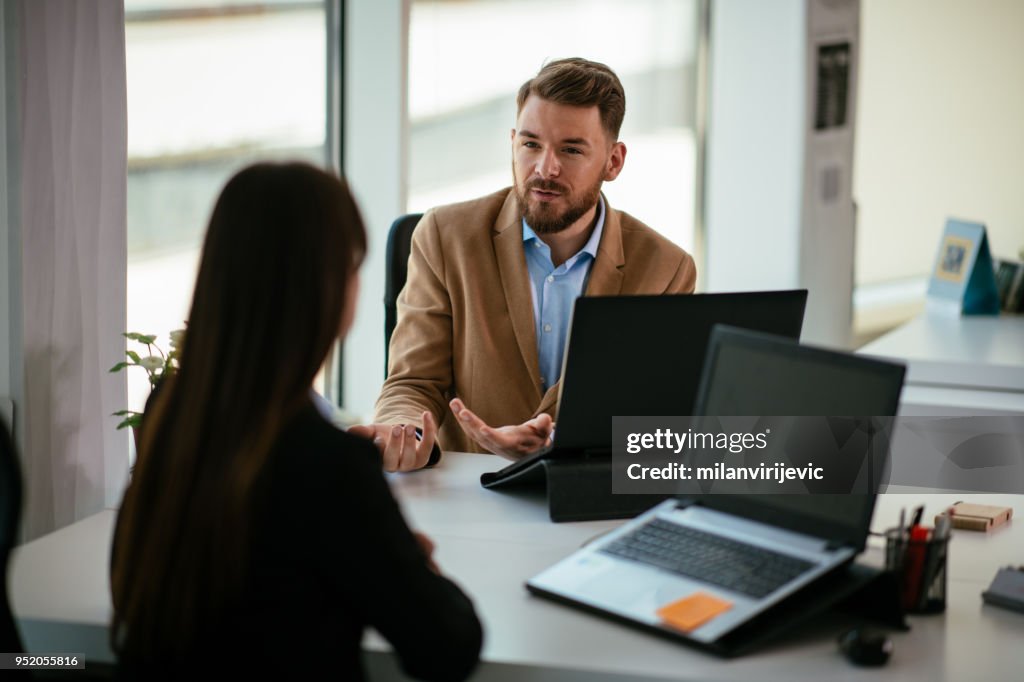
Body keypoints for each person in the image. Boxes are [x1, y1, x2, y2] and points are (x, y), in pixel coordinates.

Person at [110, 162, 482, 680]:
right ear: (331, 289)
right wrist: (411, 567)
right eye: (355, 267)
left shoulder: (170, 410)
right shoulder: (328, 464)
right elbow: (448, 648)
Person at [354, 58, 696, 470]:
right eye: (531, 144)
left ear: (614, 162)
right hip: (470, 490)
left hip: (585, 493)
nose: (544, 169)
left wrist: (557, 440)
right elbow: (412, 384)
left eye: (571, 149)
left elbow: (655, 417)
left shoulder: (665, 269)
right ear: (513, 141)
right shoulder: (445, 236)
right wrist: (404, 432)